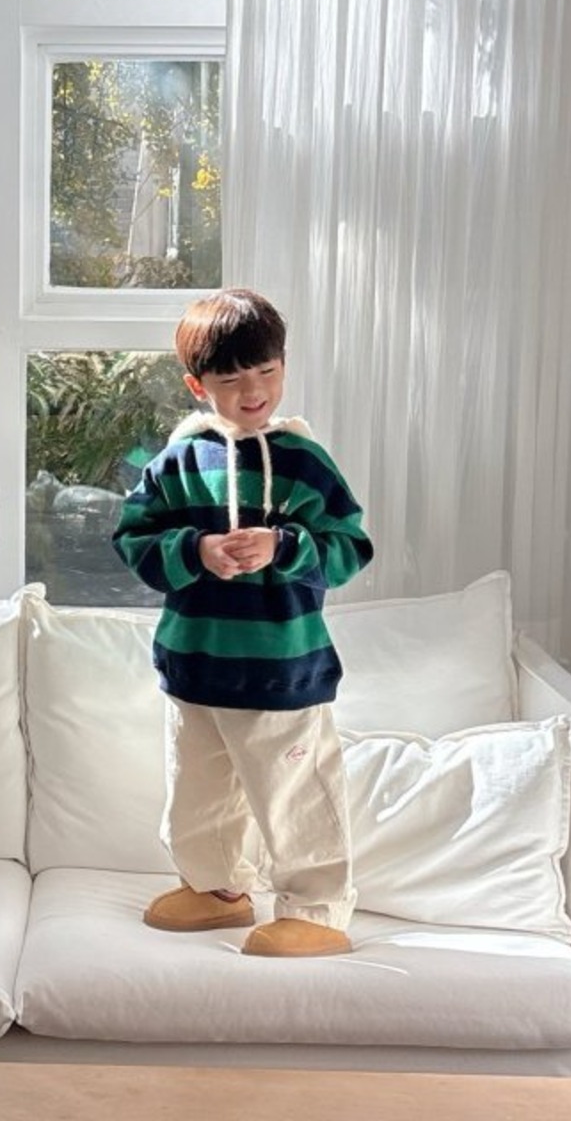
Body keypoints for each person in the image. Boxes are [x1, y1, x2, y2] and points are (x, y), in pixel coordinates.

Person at [112, 288, 373, 958]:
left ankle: (316, 910)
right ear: (198, 386)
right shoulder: (178, 463)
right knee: (197, 790)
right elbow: (133, 539)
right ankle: (217, 888)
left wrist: (283, 547)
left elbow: (349, 548)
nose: (253, 390)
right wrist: (194, 551)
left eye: (266, 371)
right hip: (194, 665)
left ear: (283, 367)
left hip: (282, 672)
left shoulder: (304, 463)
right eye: (231, 379)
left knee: (294, 795)